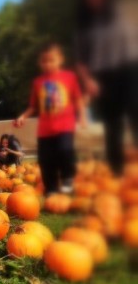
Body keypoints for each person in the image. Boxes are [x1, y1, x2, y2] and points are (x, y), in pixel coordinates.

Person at [75, 0, 138, 175]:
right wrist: (88, 81)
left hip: (130, 68)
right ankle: (117, 172)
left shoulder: (124, 10)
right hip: (103, 76)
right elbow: (81, 59)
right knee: (113, 125)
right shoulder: (83, 24)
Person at [15, 43, 87, 195]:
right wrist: (23, 116)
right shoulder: (38, 82)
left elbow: (78, 99)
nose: (47, 64)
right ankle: (52, 188)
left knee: (65, 150)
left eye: (51, 60)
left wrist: (83, 118)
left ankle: (68, 178)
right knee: (46, 160)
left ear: (60, 59)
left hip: (65, 126)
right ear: (40, 63)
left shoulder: (69, 77)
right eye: (44, 61)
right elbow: (33, 106)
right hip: (45, 130)